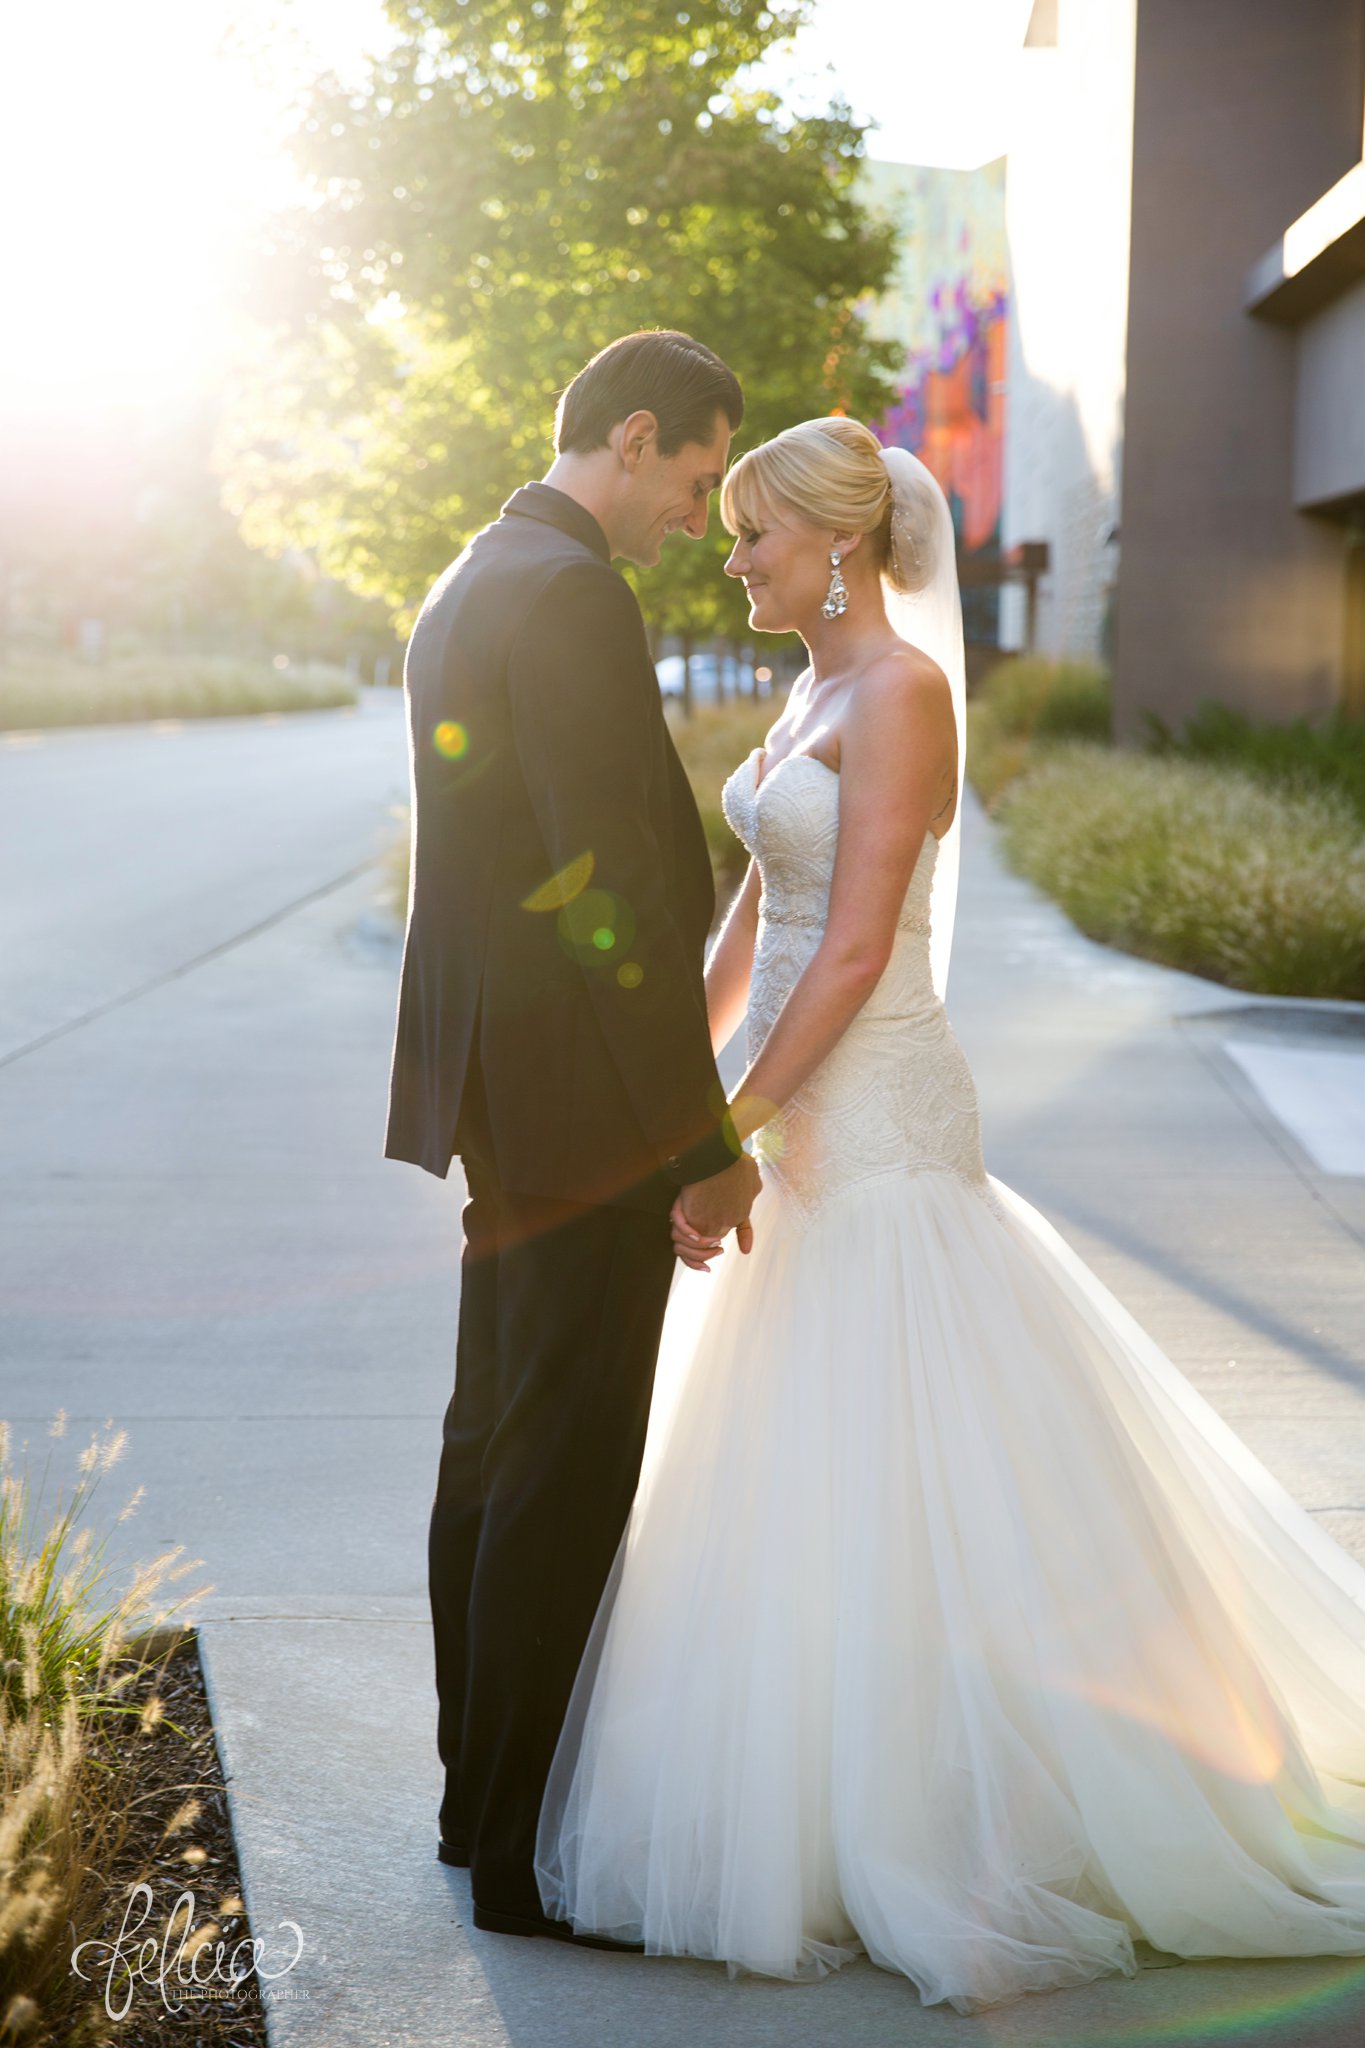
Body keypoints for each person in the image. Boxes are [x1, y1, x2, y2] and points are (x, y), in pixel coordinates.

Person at [534, 415, 1365, 2012]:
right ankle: (831, 1807)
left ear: (835, 543)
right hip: (792, 1108)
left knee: (924, 1449)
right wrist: (672, 1101)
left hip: (883, 1114)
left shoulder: (904, 696)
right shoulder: (806, 692)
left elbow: (851, 955)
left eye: (755, 530)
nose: (732, 552)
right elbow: (753, 920)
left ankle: (977, 1819)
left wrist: (732, 1129)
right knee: (808, 1456)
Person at [385, 330, 761, 1947]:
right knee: (560, 1466)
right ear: (630, 434)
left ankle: (481, 1805)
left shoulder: (473, 574)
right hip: (580, 1113)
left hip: (496, 1094)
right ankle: (526, 1857)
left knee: (492, 1446)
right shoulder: (570, 596)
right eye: (689, 481)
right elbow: (603, 897)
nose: (692, 519)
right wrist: (698, 1144)